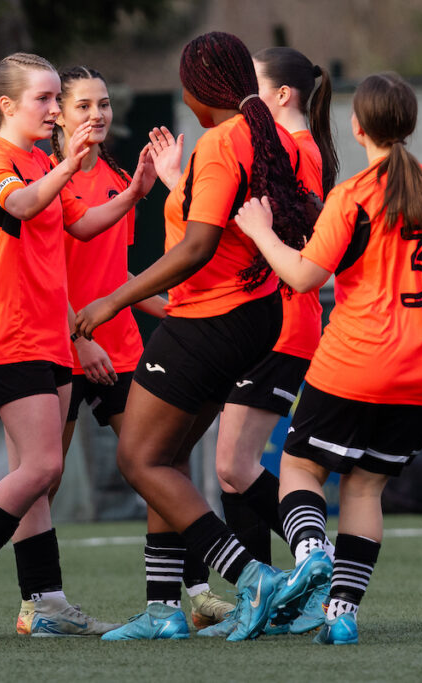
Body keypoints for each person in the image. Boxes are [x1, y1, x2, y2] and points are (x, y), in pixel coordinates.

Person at [234, 72, 422, 645]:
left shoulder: (353, 194)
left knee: (300, 470)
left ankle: (311, 551)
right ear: (408, 125)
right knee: (365, 490)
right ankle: (341, 615)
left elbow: (305, 276)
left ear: (358, 128)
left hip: (353, 364)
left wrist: (260, 232)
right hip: (421, 374)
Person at [75, 31, 318, 642]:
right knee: (170, 459)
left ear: (193, 88)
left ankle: (251, 576)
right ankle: (162, 609)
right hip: (254, 318)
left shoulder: (221, 141)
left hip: (209, 318)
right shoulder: (264, 138)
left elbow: (197, 247)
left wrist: (112, 300)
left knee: (137, 457)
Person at [0, 52, 156, 640]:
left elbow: (80, 223)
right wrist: (66, 166)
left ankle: (45, 600)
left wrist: (134, 193)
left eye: (59, 99)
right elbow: (24, 204)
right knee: (43, 466)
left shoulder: (38, 160)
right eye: (46, 99)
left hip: (53, 336)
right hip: (12, 337)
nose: (56, 110)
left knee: (36, 479)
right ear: (7, 105)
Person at [40, 65, 234, 638]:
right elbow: (48, 277)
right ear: (58, 115)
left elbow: (112, 273)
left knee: (162, 466)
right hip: (66, 344)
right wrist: (84, 337)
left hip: (120, 351)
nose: (96, 114)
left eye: (102, 103)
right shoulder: (49, 180)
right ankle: (36, 598)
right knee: (41, 479)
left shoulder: (123, 178)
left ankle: (191, 596)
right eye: (82, 106)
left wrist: (174, 308)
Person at [209, 46, 339, 636]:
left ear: (281, 94)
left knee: (234, 466)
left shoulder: (294, 149)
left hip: (284, 324)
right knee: (232, 469)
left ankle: (316, 565)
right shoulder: (297, 148)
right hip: (271, 321)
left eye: (252, 84)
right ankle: (266, 592)